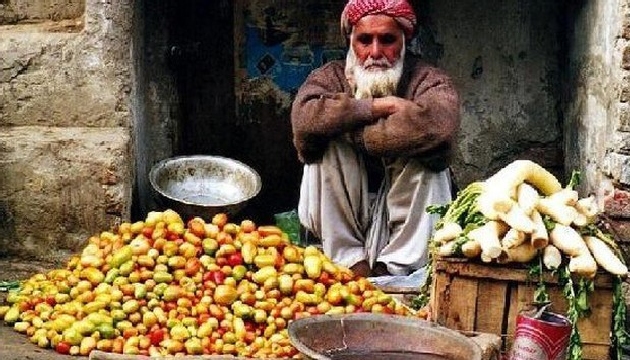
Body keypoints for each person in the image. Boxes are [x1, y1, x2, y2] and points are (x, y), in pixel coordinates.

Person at [290, 0, 460, 282]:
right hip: (347, 211)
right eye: (365, 40)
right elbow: (305, 121)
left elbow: (438, 130)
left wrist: (348, 127)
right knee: (326, 149)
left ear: (404, 41)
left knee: (427, 158)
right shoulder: (329, 77)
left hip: (406, 218)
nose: (375, 52)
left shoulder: (429, 80)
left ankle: (391, 273)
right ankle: (351, 267)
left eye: (387, 40)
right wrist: (379, 108)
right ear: (351, 43)